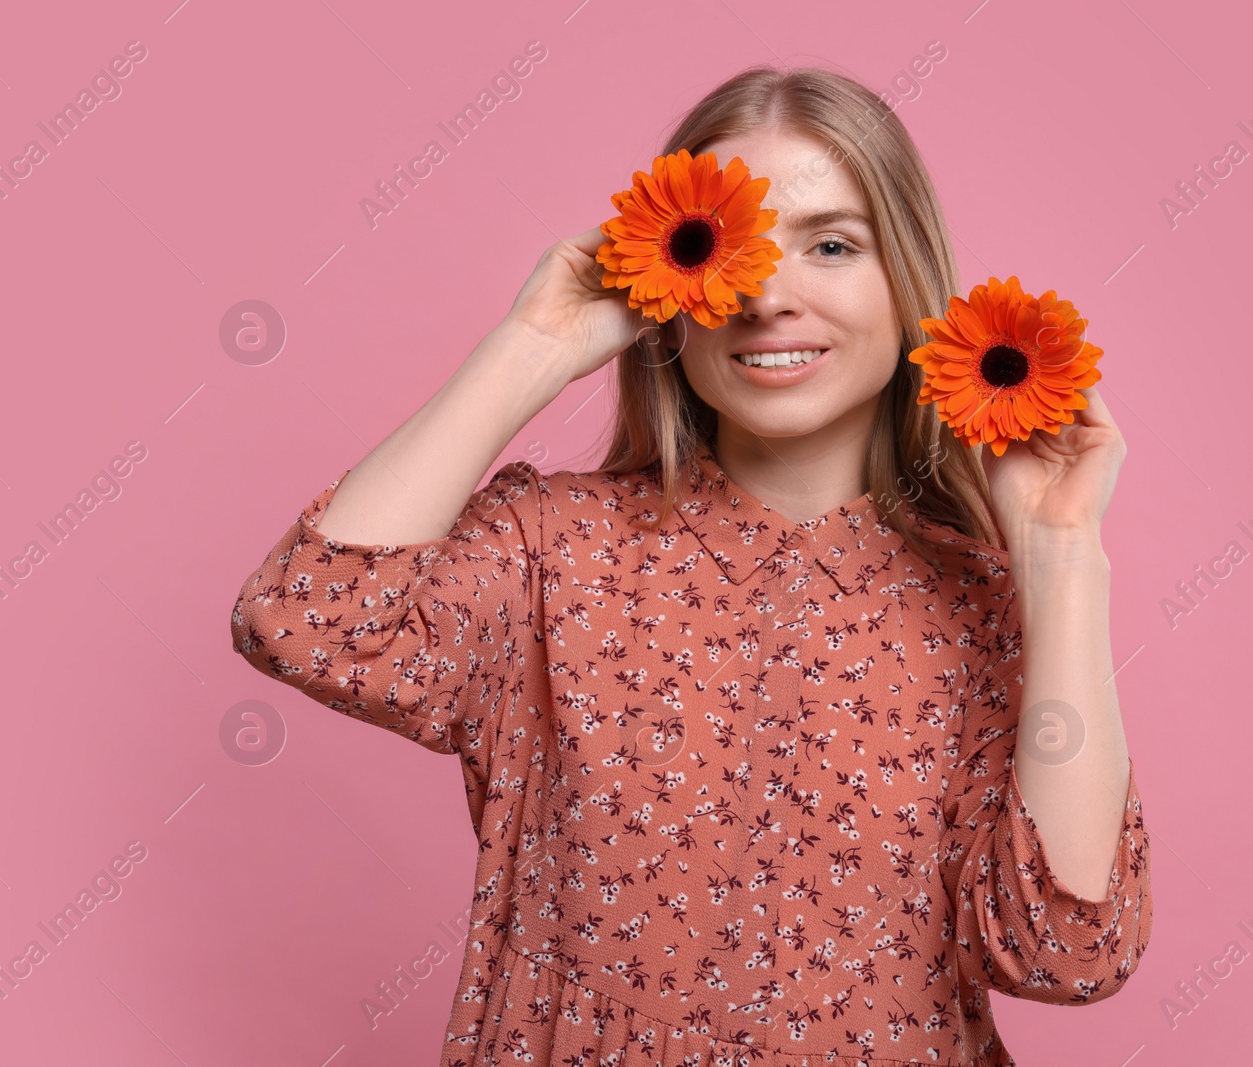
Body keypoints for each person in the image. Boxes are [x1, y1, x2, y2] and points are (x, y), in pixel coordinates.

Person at [229, 65, 1151, 1066]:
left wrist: (1059, 557)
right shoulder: (550, 550)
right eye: (730, 249)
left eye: (832, 245)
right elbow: (309, 615)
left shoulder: (993, 606)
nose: (766, 295)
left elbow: (1065, 949)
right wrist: (535, 343)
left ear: (908, 280)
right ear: (668, 279)